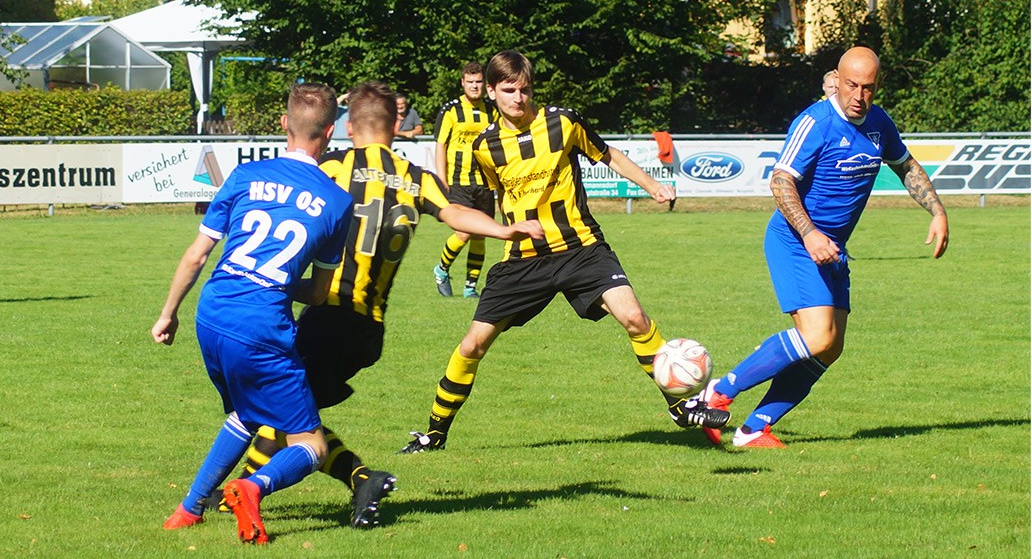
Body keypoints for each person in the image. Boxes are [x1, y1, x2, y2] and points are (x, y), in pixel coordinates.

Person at [207, 81, 544, 527]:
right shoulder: (415, 178)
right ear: (395, 123)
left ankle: (344, 479)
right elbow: (456, 215)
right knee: (285, 410)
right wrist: (503, 230)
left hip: (327, 313)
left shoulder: (333, 166)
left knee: (283, 411)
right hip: (369, 328)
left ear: (348, 125)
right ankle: (235, 492)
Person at [400, 50, 730, 455]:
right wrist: (505, 229)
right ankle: (433, 433)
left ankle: (681, 407)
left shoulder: (563, 121)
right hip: (524, 258)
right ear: (490, 92)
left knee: (635, 317)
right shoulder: (485, 146)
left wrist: (651, 186)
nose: (518, 98)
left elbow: (609, 155)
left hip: (581, 248)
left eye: (524, 90)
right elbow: (497, 197)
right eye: (508, 91)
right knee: (473, 345)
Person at [699, 46, 949, 448]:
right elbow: (781, 181)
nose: (858, 95)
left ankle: (754, 429)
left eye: (868, 87)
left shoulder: (879, 124)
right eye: (851, 85)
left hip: (834, 249)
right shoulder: (815, 122)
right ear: (838, 78)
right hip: (795, 241)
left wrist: (937, 210)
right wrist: (811, 234)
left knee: (830, 348)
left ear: (877, 86)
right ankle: (717, 392)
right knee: (817, 336)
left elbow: (906, 165)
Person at [155, 82, 356, 544]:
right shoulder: (337, 201)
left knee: (247, 413)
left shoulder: (245, 176)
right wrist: (284, 283)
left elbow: (196, 255)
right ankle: (250, 486)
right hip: (261, 325)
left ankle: (189, 508)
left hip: (212, 312)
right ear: (329, 133)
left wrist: (168, 314)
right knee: (310, 443)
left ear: (284, 124)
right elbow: (320, 294)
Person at [431, 61, 499, 298]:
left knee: (481, 235)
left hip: (485, 183)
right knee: (464, 232)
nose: (474, 86)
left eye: (478, 82)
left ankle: (471, 286)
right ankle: (441, 269)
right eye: (470, 82)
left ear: (485, 84)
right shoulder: (451, 110)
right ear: (462, 82)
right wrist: (441, 177)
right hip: (458, 182)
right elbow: (441, 145)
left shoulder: (493, 110)